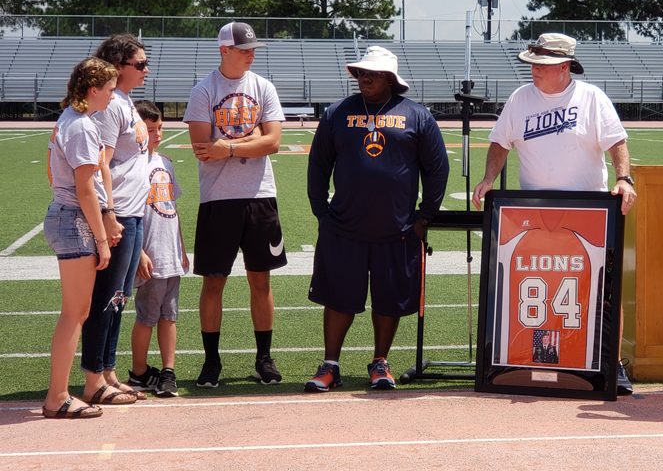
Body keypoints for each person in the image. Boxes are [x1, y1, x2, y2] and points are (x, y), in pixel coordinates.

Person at [471, 32, 638, 395]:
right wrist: (487, 178)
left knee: (603, 290)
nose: (534, 70)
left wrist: (624, 178)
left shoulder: (592, 98)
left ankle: (613, 364)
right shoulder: (520, 99)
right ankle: (532, 359)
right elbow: (501, 142)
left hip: (590, 212)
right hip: (534, 212)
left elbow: (617, 142)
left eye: (542, 65)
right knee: (541, 286)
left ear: (564, 67)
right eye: (532, 63)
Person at [305, 46, 449, 392]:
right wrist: (321, 211)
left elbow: (437, 168)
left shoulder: (417, 116)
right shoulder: (338, 112)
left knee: (389, 298)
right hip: (344, 226)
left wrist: (424, 216)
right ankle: (331, 364)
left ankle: (380, 361)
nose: (364, 78)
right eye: (360, 72)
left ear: (390, 78)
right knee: (339, 297)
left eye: (372, 73)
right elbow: (319, 164)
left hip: (397, 229)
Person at [184, 21, 287, 388]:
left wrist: (227, 145)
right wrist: (252, 135)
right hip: (218, 198)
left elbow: (273, 142)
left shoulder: (263, 86)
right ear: (223, 50)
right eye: (244, 49)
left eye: (252, 49)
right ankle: (211, 361)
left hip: (260, 196)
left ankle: (264, 358)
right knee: (214, 282)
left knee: (261, 280)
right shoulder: (203, 90)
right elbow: (202, 150)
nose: (251, 54)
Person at [41, 57, 119, 418]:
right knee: (74, 313)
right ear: (93, 90)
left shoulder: (70, 121)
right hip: (74, 220)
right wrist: (102, 239)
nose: (112, 95)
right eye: (109, 89)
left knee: (78, 312)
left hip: (69, 217)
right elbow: (85, 188)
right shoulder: (82, 126)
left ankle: (60, 393)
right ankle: (57, 396)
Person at [80, 34, 151, 405]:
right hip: (119, 211)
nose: (145, 70)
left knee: (119, 298)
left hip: (133, 211)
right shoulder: (110, 107)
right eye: (139, 64)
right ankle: (94, 377)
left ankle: (107, 371)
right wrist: (108, 214)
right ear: (118, 65)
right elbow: (101, 163)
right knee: (106, 298)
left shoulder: (125, 101)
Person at [127, 100, 189, 398]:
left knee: (170, 316)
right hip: (149, 254)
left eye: (160, 128)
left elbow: (172, 209)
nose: (158, 134)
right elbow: (129, 215)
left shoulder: (165, 162)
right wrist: (138, 251)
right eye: (151, 129)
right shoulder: (131, 167)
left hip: (170, 252)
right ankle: (138, 371)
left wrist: (182, 248)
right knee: (147, 317)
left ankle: (167, 371)